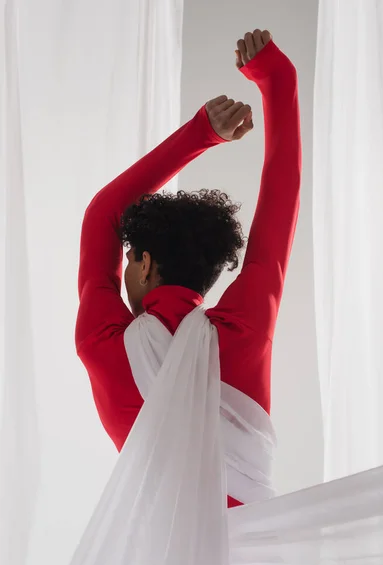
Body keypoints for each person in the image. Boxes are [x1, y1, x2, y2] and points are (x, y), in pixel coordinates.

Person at [75, 28, 301, 510]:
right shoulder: (243, 330)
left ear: (144, 262)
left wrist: (203, 134)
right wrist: (277, 80)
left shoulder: (104, 343)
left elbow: (103, 216)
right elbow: (284, 192)